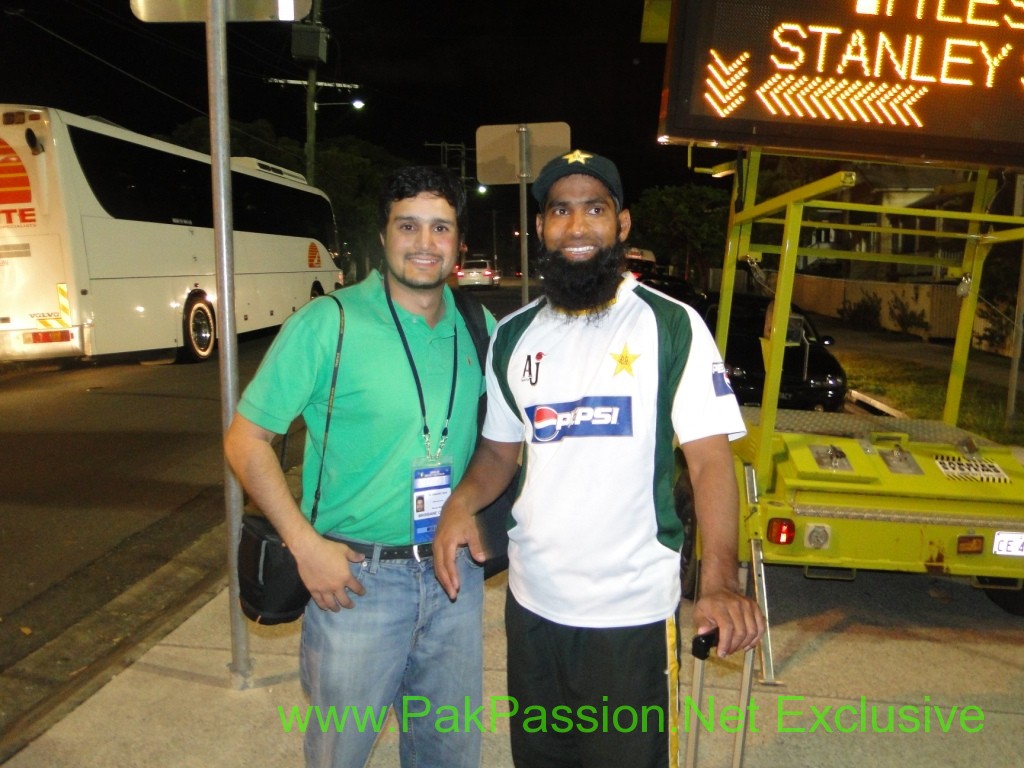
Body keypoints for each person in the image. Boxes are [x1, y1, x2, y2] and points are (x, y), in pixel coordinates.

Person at [434, 150, 765, 767]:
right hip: (532, 609)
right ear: (540, 229)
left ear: (622, 224)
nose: (577, 226)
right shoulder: (514, 336)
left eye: (595, 208)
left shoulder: (672, 327)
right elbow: (499, 451)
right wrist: (461, 503)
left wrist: (718, 581)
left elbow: (711, 462)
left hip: (631, 617)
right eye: (561, 210)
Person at [225, 165, 493, 768]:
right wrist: (304, 544)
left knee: (449, 752)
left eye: (440, 228)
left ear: (458, 242)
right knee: (339, 755)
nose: (425, 242)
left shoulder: (481, 328)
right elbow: (246, 440)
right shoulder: (330, 324)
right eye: (409, 226)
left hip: (454, 579)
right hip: (354, 583)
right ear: (383, 235)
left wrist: (474, 506)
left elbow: (500, 441)